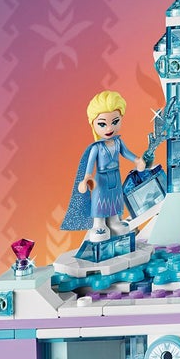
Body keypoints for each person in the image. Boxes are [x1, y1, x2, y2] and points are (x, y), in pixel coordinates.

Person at [62, 90, 146, 244]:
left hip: (115, 176)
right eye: (102, 124)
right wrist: (86, 179)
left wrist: (137, 160)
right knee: (100, 200)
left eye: (115, 122)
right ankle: (99, 223)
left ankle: (114, 221)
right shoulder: (97, 147)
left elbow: (126, 153)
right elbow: (89, 166)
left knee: (115, 199)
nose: (109, 128)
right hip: (101, 179)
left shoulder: (118, 142)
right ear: (93, 124)